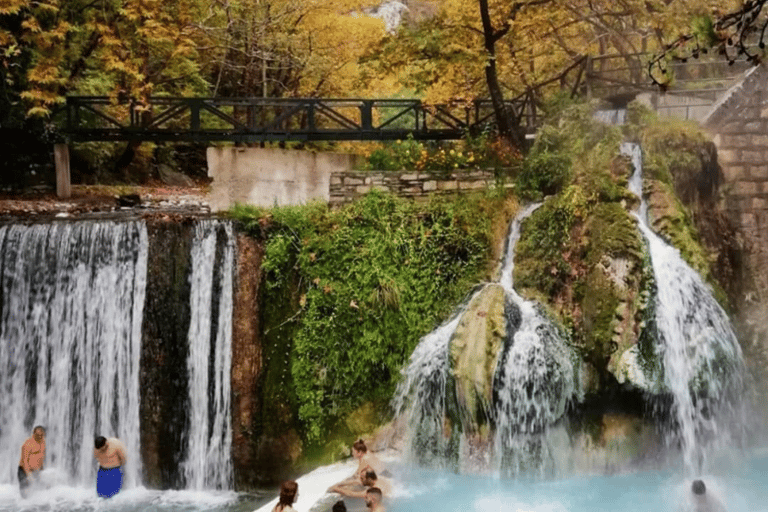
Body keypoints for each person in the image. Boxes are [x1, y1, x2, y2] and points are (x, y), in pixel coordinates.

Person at [18, 426, 46, 498]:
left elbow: (41, 455)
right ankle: (22, 505)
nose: (40, 437)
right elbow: (25, 462)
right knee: (25, 491)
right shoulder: (27, 444)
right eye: (37, 435)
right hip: (24, 471)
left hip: (36, 470)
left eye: (41, 435)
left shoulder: (43, 441)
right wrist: (29, 475)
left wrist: (41, 469)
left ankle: (34, 506)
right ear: (33, 434)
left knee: (36, 490)